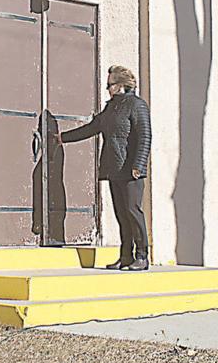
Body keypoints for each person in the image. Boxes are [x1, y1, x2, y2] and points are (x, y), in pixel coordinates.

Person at [57, 65, 151, 271]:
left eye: (109, 85)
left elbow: (144, 137)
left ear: (120, 86)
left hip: (131, 170)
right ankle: (126, 256)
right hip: (114, 169)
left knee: (133, 212)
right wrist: (63, 138)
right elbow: (92, 128)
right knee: (121, 214)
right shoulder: (111, 108)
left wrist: (138, 165)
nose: (107, 89)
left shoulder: (137, 105)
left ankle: (142, 256)